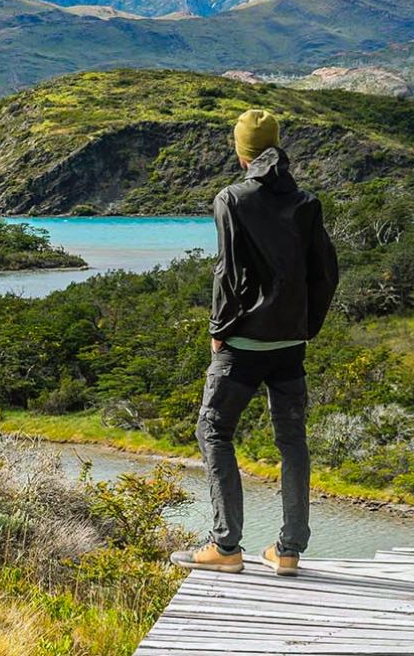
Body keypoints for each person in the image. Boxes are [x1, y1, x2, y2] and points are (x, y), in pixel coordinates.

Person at [170, 108, 338, 576]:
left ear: (241, 151)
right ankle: (289, 550)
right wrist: (307, 325)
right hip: (289, 344)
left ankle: (226, 547)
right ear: (276, 146)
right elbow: (325, 271)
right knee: (292, 442)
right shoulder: (306, 201)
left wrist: (218, 330)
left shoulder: (231, 199)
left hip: (242, 343)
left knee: (214, 431)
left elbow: (227, 271)